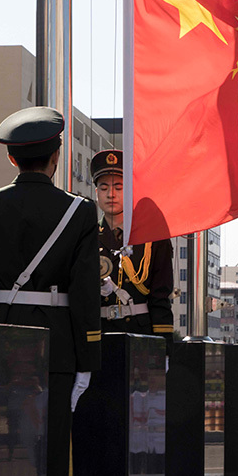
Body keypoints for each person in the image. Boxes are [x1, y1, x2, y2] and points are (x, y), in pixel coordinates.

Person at [0, 107, 101, 476]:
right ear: (56, 157)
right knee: (53, 450)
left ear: (11, 157)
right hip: (58, 347)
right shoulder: (79, 211)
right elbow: (85, 293)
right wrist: (87, 361)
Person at [92, 150, 174, 355]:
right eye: (104, 188)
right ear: (96, 193)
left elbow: (160, 297)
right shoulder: (86, 237)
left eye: (118, 187)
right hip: (98, 336)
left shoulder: (152, 239)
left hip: (140, 335)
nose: (111, 194)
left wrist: (163, 346)